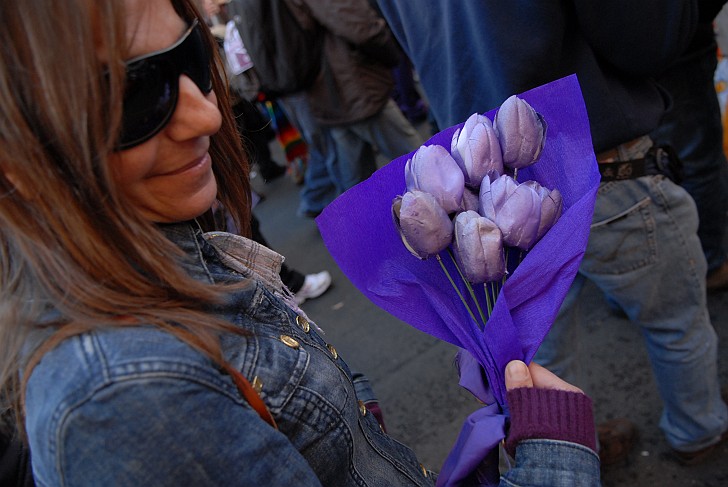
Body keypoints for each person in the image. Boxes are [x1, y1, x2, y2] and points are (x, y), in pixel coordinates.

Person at [0, 0, 600, 485]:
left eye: (189, 55)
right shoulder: (124, 401)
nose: (206, 116)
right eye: (131, 94)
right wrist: (557, 455)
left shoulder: (165, 248)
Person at [375, 0, 728, 467]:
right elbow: (644, 41)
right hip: (598, 160)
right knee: (673, 319)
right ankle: (697, 431)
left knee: (542, 350)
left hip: (481, 189)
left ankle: (572, 448)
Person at [287, 0, 426, 191]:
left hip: (327, 87)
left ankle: (352, 218)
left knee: (354, 180)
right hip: (351, 82)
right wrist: (388, 45)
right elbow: (354, 21)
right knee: (421, 160)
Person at [650, 0, 728, 292]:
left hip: (606, 56)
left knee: (643, 162)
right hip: (672, 44)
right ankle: (709, 264)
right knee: (697, 158)